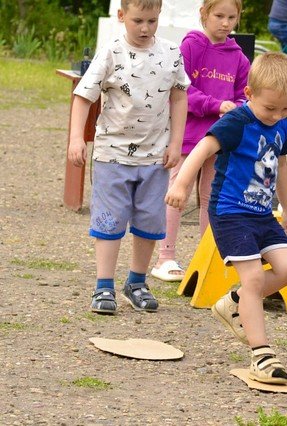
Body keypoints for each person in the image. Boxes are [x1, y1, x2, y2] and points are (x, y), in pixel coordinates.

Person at [165, 52, 287, 385]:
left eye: (285, 109)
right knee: (254, 278)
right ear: (250, 94)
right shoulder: (237, 121)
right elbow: (203, 147)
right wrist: (182, 184)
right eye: (270, 108)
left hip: (262, 213)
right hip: (230, 212)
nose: (277, 116)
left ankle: (235, 302)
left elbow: (281, 165)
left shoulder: (282, 123)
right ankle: (262, 355)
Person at [68, 0, 189, 314]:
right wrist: (77, 138)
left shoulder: (172, 54)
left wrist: (176, 144)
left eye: (152, 20)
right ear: (121, 17)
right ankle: (103, 286)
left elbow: (178, 97)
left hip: (155, 157)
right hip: (112, 156)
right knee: (109, 222)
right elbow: (83, 96)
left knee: (150, 220)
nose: (145, 28)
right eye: (138, 21)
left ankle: (136, 282)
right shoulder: (111, 52)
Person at [151, 0, 250, 282]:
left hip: (219, 141)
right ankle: (165, 257)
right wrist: (217, 105)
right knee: (175, 193)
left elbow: (247, 94)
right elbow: (181, 89)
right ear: (204, 14)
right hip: (187, 136)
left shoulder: (239, 57)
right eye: (219, 15)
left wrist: (237, 107)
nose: (225, 23)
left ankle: (207, 259)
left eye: (232, 17)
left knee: (211, 199)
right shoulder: (191, 46)